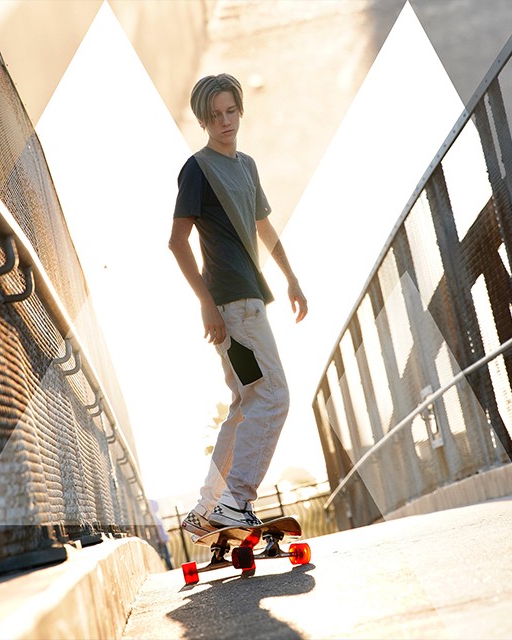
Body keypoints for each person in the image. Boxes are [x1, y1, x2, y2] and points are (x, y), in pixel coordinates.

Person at [168, 73, 307, 539]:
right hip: (234, 310)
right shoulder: (197, 169)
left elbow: (263, 227)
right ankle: (236, 501)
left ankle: (208, 507)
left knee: (247, 402)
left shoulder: (246, 166)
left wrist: (290, 278)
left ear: (240, 111)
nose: (225, 122)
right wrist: (205, 303)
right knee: (274, 396)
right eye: (215, 116)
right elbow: (177, 242)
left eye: (231, 112)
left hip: (249, 303)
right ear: (203, 121)